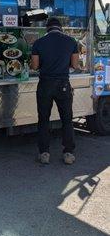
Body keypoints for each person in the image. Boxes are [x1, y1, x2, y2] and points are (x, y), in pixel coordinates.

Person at [31, 17, 79, 165]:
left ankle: (44, 153)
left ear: (47, 28)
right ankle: (68, 153)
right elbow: (75, 65)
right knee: (67, 119)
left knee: (44, 119)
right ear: (60, 27)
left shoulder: (38, 43)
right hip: (63, 84)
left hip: (45, 84)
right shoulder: (71, 42)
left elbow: (34, 66)